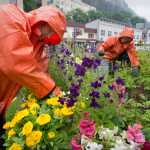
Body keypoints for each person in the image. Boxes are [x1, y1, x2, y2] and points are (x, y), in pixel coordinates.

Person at [0, 3, 66, 132]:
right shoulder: (9, 15)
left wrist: (58, 96)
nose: (48, 37)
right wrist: (50, 89)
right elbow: (15, 63)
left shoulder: (37, 44)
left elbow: (41, 71)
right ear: (46, 21)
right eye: (51, 31)